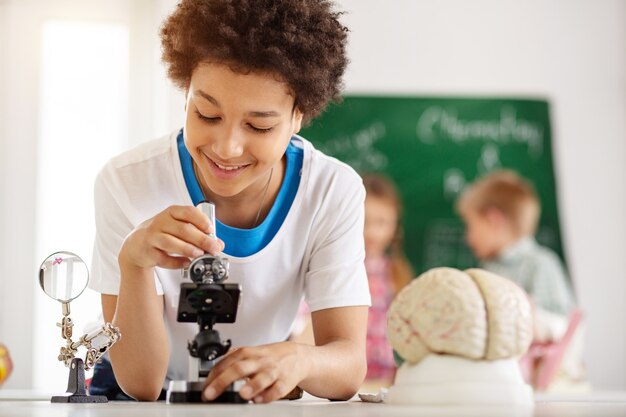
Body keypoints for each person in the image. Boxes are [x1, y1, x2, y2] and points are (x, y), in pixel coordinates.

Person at [88, 0, 370, 403]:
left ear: (298, 116)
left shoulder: (331, 191)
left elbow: (348, 366)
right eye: (206, 114)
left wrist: (300, 360)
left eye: (259, 125)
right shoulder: (127, 182)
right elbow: (141, 385)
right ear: (185, 93)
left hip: (249, 398)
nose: (227, 148)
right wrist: (133, 262)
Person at [456, 170, 585, 385]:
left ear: (493, 220)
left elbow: (559, 326)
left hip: (539, 384)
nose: (468, 238)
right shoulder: (486, 268)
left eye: (471, 225)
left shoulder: (540, 264)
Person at [291, 173, 412, 387]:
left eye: (382, 222)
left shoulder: (397, 273)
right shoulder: (332, 267)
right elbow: (305, 327)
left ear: (395, 225)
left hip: (386, 383)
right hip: (339, 380)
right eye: (365, 221)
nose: (373, 231)